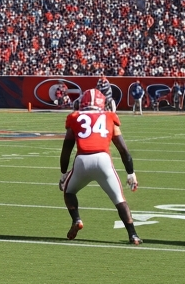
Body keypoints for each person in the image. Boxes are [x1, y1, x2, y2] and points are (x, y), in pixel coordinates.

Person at [59, 89, 141, 245]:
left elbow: (66, 149)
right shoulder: (109, 117)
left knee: (69, 191)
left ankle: (77, 219)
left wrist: (63, 172)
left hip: (82, 160)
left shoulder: (75, 117)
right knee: (119, 199)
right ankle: (133, 235)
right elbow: (124, 150)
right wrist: (131, 172)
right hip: (103, 160)